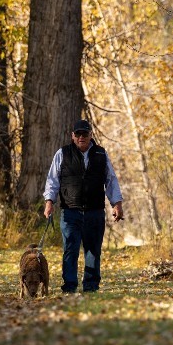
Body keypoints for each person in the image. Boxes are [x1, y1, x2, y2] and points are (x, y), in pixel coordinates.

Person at [43, 119, 124, 293]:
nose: (81, 137)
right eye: (78, 134)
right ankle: (69, 287)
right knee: (70, 250)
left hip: (94, 212)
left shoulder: (101, 154)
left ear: (90, 135)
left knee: (93, 251)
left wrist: (117, 204)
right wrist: (49, 202)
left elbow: (111, 181)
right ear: (72, 136)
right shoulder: (62, 153)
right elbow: (52, 181)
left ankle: (91, 286)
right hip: (70, 212)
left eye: (85, 134)